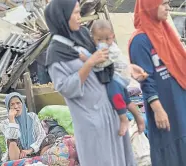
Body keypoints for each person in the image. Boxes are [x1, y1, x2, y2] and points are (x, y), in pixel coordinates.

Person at [44, 0, 136, 165]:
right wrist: (89, 63)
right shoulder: (55, 53)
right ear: (62, 17)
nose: (79, 18)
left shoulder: (83, 35)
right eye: (75, 13)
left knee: (120, 159)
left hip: (109, 111)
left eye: (80, 12)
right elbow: (65, 87)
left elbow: (105, 60)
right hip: (90, 119)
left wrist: (126, 68)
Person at [129, 0, 186, 166]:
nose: (168, 7)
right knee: (170, 152)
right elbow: (145, 80)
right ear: (150, 5)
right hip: (165, 107)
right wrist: (158, 109)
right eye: (163, 3)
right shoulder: (139, 41)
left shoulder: (166, 33)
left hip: (180, 102)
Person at [74, 19, 146, 136]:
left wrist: (85, 58)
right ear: (93, 39)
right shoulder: (105, 46)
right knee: (126, 100)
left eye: (107, 39)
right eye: (99, 39)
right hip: (120, 75)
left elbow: (99, 63)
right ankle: (139, 117)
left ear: (112, 37)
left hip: (118, 76)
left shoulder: (111, 49)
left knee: (114, 94)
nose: (104, 42)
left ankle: (123, 119)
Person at [0, 92, 46, 162]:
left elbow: (41, 135)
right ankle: (16, 163)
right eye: (12, 104)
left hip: (34, 151)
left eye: (18, 103)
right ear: (8, 107)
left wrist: (30, 150)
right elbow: (12, 137)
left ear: (23, 104)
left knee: (49, 139)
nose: (16, 107)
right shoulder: (4, 123)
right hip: (18, 155)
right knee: (12, 141)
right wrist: (12, 120)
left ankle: (42, 160)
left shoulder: (32, 117)